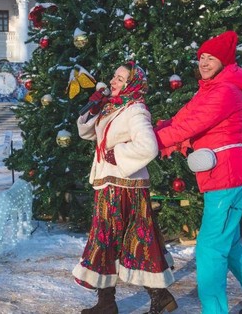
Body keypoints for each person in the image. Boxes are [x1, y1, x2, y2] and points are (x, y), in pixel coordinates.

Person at [154, 31, 242, 314]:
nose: (205, 62)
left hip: (227, 173)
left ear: (224, 62)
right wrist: (154, 130)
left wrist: (149, 142)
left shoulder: (224, 91)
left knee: (210, 247)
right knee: (228, 241)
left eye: (211, 58)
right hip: (222, 173)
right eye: (202, 57)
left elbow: (189, 127)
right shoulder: (210, 89)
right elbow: (180, 119)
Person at [73, 62, 177, 314]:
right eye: (114, 76)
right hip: (110, 185)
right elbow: (88, 134)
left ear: (132, 84)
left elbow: (148, 147)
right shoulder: (113, 107)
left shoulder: (136, 110)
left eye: (120, 78)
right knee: (109, 241)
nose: (113, 81)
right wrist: (92, 108)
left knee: (128, 241)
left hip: (124, 187)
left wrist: (116, 155)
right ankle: (108, 302)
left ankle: (157, 296)